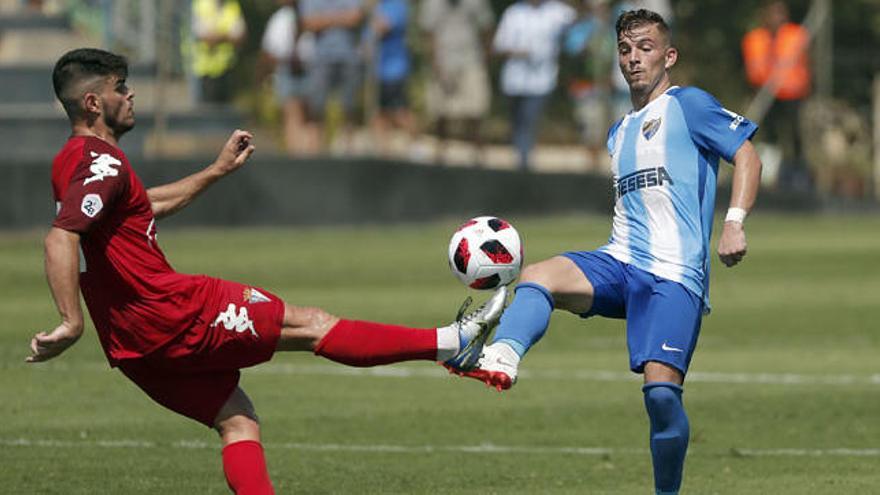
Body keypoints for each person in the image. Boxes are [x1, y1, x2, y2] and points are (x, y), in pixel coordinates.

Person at [30, 48, 508, 495]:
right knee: (311, 325)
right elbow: (61, 235)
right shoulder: (102, 164)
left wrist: (215, 171)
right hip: (169, 311)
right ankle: (451, 343)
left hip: (130, 342)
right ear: (93, 102)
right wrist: (71, 321)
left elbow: (138, 208)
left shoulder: (74, 161)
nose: (130, 95)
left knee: (238, 420)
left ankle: (453, 345)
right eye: (120, 87)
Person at [448, 10, 762, 495]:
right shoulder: (618, 132)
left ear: (668, 55)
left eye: (646, 47)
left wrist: (734, 223)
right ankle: (503, 355)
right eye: (625, 49)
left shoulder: (689, 106)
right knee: (540, 275)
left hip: (674, 277)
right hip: (620, 261)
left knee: (660, 397)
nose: (634, 58)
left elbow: (746, 154)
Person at [493, 0, 576, 171]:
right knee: (518, 121)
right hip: (514, 81)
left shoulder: (557, 11)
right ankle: (520, 154)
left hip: (542, 81)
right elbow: (499, 46)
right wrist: (518, 52)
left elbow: (578, 18)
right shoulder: (513, 13)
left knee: (529, 119)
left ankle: (524, 161)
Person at [742, 0, 811, 191]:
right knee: (770, 135)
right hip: (767, 93)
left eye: (780, 13)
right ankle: (768, 177)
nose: (776, 18)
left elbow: (805, 63)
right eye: (773, 14)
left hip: (792, 93)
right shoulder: (755, 38)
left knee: (795, 134)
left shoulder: (796, 34)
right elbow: (754, 69)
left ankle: (799, 175)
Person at [418, 0, 495, 165]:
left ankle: (478, 156)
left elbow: (487, 27)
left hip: (471, 61)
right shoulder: (432, 4)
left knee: (475, 110)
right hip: (443, 62)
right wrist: (435, 64)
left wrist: (486, 58)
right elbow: (428, 34)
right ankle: (440, 154)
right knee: (440, 112)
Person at [300, 0, 365, 153]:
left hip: (349, 57)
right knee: (316, 108)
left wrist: (325, 19)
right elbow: (309, 23)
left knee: (349, 107)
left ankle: (348, 151)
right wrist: (341, 18)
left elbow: (356, 18)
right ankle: (315, 152)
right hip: (320, 59)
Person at [259, 0, 319, 155]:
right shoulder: (279, 19)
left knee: (311, 116)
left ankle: (313, 155)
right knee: (292, 113)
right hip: (287, 69)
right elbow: (270, 50)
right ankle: (295, 155)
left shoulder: (310, 14)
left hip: (309, 67)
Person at [369, 0, 417, 156]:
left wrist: (371, 9)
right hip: (379, 70)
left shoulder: (398, 5)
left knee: (400, 113)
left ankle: (415, 149)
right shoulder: (381, 6)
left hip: (395, 70)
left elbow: (382, 27)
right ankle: (384, 153)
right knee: (380, 114)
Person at [189, 0, 247, 104]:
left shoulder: (232, 6)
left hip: (226, 69)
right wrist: (227, 36)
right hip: (203, 72)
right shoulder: (201, 4)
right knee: (204, 111)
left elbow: (240, 37)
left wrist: (217, 37)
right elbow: (206, 38)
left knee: (224, 112)